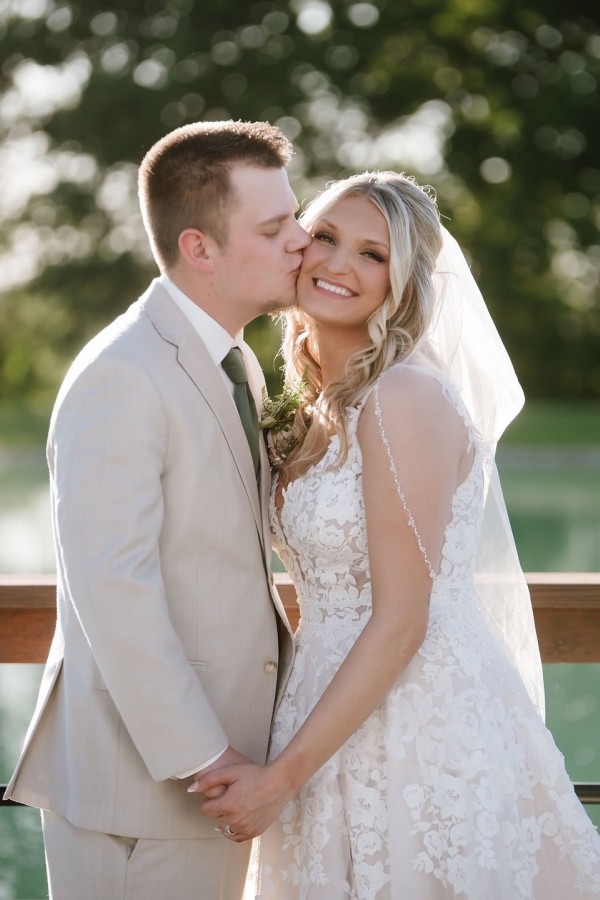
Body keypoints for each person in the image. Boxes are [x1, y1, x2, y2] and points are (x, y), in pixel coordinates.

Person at [194, 171, 600, 898]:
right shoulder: (314, 406)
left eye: (373, 254)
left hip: (416, 720)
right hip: (325, 710)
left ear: (405, 280)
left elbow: (404, 618)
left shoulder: (404, 397)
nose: (339, 264)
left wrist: (279, 780)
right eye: (325, 237)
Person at [4, 120, 311, 899]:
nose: (302, 241)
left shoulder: (236, 356)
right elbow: (113, 585)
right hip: (148, 785)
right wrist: (205, 758)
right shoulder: (124, 374)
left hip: (219, 774)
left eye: (295, 218)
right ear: (199, 247)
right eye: (274, 227)